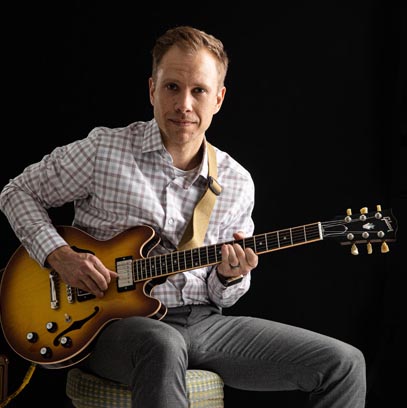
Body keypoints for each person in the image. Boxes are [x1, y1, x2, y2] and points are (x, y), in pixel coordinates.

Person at [0, 26, 366, 407]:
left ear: (219, 98)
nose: (184, 105)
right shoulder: (104, 150)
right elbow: (17, 192)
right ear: (152, 90)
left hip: (205, 323)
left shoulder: (236, 181)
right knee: (163, 344)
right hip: (114, 326)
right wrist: (60, 256)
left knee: (343, 363)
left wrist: (230, 276)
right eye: (172, 87)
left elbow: (222, 294)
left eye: (199, 91)